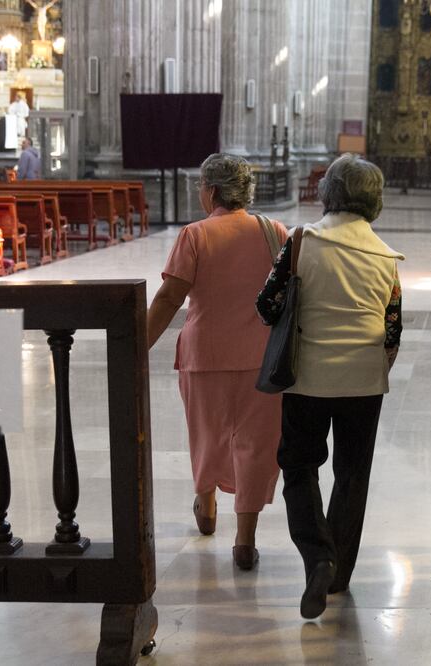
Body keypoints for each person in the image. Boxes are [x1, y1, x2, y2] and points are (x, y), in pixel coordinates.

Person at [256, 154, 404, 619]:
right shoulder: (386, 256)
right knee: (352, 474)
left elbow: (268, 304)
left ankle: (317, 555)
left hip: (308, 378)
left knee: (298, 467)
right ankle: (339, 574)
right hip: (364, 380)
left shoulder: (302, 242)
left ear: (328, 192)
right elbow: (393, 329)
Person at [147, 153, 288, 571]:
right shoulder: (273, 232)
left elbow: (170, 296)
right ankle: (245, 540)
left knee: (207, 434)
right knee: (256, 446)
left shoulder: (195, 235)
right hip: (262, 358)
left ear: (211, 191)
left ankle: (206, 506)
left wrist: (138, 342)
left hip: (204, 355)